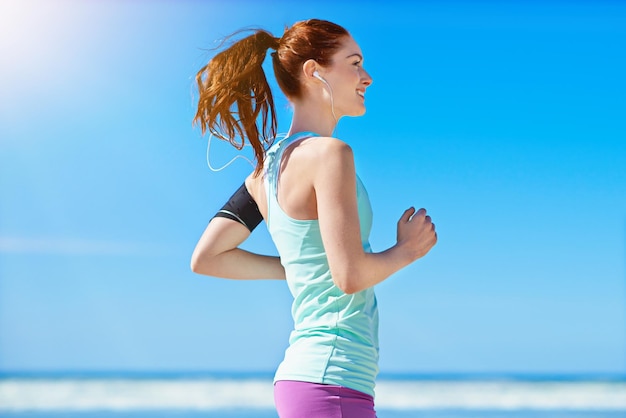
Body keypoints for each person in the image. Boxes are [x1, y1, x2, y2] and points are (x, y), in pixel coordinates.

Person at [190, 19, 437, 418]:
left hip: (312, 381)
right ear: (314, 71)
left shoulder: (263, 171)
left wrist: (298, 269)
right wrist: (408, 250)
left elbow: (208, 257)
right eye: (354, 63)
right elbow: (350, 276)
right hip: (332, 381)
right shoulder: (329, 155)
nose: (367, 77)